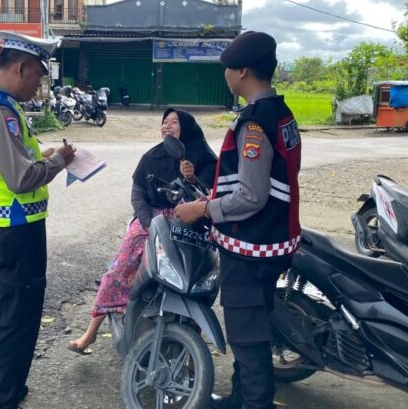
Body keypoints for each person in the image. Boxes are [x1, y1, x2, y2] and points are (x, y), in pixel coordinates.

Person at [175, 31, 302, 409]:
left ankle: (254, 402)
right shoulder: (282, 112)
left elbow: (251, 195)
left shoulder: (255, 123)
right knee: (253, 327)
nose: (225, 75)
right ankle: (240, 398)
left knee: (247, 337)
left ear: (242, 71)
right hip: (275, 238)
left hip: (252, 247)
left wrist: (202, 209)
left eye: (227, 69)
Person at [0, 31, 75, 409]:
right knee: (17, 314)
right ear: (21, 67)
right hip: (17, 228)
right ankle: (2, 396)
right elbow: (21, 177)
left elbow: (11, 161)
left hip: (0, 223)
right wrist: (59, 161)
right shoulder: (0, 111)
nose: (38, 85)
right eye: (37, 77)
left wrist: (44, 155)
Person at [68, 108, 217, 355]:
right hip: (152, 220)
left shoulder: (203, 159)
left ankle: (193, 345)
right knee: (120, 268)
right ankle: (91, 332)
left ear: (188, 128)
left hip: (189, 224)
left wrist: (192, 180)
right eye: (165, 122)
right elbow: (138, 195)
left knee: (197, 279)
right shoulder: (151, 157)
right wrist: (148, 223)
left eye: (174, 122)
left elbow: (210, 197)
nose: (168, 126)